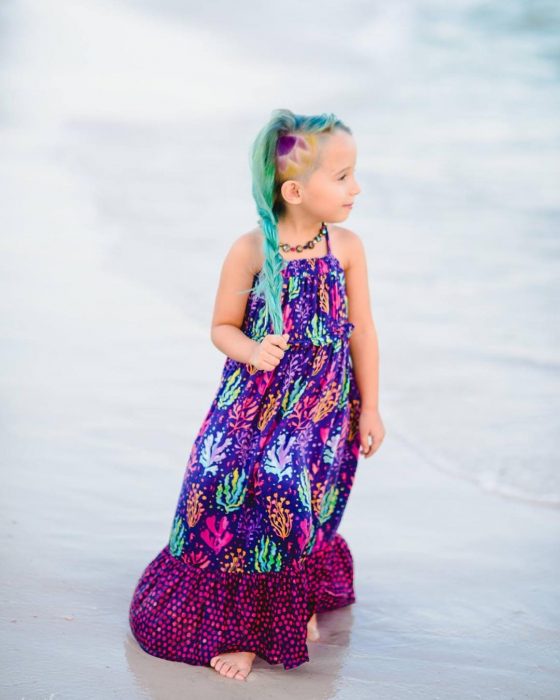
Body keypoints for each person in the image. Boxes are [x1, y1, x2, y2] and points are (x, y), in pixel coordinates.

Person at [128, 108, 385, 681]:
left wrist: (369, 406)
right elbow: (221, 326)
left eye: (353, 174)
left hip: (317, 411)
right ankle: (234, 619)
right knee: (211, 479)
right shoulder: (250, 251)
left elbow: (362, 330)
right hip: (248, 403)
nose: (356, 187)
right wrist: (249, 350)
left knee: (288, 498)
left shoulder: (345, 248)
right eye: (342, 176)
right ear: (295, 189)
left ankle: (283, 611)